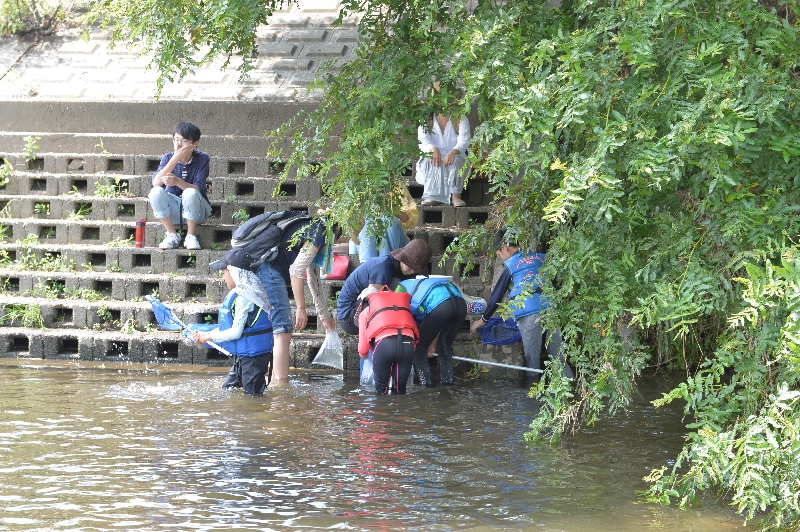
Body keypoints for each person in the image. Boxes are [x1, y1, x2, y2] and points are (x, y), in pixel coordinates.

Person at [470, 230, 573, 383]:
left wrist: (483, 320)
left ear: (505, 248)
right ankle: (572, 388)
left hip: (529, 314)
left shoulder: (510, 266)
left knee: (532, 359)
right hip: (551, 309)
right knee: (558, 354)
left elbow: (496, 296)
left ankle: (531, 394)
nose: (500, 257)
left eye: (499, 254)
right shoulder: (541, 258)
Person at [257, 212, 343, 384]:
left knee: (280, 331)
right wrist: (301, 308)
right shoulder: (319, 233)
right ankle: (280, 387)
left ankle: (271, 380)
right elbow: (296, 271)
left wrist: (324, 315)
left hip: (267, 266)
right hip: (269, 268)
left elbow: (312, 276)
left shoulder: (313, 229)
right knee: (283, 331)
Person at [191, 248, 274, 394]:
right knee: (227, 389)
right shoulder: (242, 293)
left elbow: (236, 332)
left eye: (223, 273)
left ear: (234, 272)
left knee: (252, 398)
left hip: (253, 357)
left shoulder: (244, 297)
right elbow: (232, 328)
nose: (223, 277)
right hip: (244, 354)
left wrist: (209, 336)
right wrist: (205, 334)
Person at [337, 238, 433, 336]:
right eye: (411, 267)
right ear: (403, 258)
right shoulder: (383, 266)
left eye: (416, 269)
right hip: (350, 317)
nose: (412, 271)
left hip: (365, 311)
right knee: (396, 284)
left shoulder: (403, 270)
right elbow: (373, 299)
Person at [149, 121, 212, 250]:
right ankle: (172, 235)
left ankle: (190, 236)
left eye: (184, 141)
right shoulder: (168, 157)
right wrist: (174, 159)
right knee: (155, 192)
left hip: (198, 211)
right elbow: (156, 183)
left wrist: (177, 182)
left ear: (195, 143)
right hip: (174, 210)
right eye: (176, 140)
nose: (178, 144)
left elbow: (198, 189)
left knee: (190, 192)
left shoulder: (202, 158)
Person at [397, 276, 467, 386]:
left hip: (441, 306)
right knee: (444, 347)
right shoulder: (416, 284)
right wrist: (432, 344)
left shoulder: (399, 289)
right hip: (461, 305)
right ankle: (448, 385)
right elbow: (435, 324)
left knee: (419, 349)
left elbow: (406, 320)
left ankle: (427, 386)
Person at [358, 288, 419, 395]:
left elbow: (363, 351)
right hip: (408, 345)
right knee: (401, 391)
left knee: (381, 392)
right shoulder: (403, 307)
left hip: (385, 346)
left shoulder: (365, 311)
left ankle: (384, 405)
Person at [349, 183, 419, 263]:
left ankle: (386, 261)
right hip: (364, 243)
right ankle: (368, 263)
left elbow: (412, 221)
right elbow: (350, 226)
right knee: (368, 217)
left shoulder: (396, 185)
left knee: (387, 217)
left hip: (396, 241)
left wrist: (391, 209)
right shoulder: (359, 184)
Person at [416, 111, 471, 207]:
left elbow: (464, 141)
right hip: (433, 155)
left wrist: (454, 152)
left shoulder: (460, 118)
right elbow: (423, 141)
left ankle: (456, 195)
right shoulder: (425, 119)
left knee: (458, 161)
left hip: (455, 156)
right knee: (428, 160)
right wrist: (432, 148)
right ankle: (432, 195)